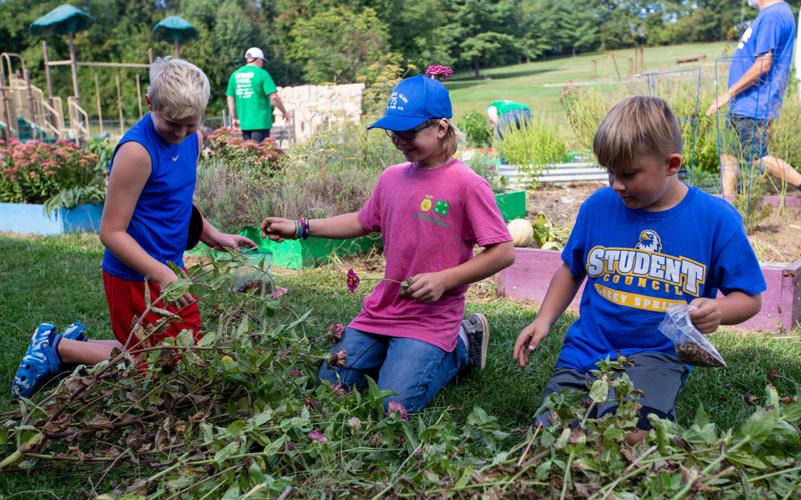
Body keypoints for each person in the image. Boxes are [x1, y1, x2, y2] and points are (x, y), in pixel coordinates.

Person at [514, 96, 765, 443]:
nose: (616, 184)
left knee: (629, 438)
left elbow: (750, 297)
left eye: (628, 174)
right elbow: (571, 269)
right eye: (610, 172)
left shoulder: (715, 220)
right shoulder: (598, 207)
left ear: (671, 164)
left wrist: (719, 310)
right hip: (587, 349)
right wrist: (544, 320)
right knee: (549, 435)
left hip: (657, 355)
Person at [261, 75, 515, 413]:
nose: (400, 141)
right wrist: (301, 227)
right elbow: (363, 221)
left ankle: (461, 344)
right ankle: (397, 355)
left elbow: (503, 252)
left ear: (440, 127)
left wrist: (444, 279)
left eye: (409, 133)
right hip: (381, 311)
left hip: (430, 318)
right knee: (328, 388)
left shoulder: (468, 184)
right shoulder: (391, 177)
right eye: (394, 133)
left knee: (391, 408)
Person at [12, 58, 256, 399]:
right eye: (173, 124)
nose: (181, 134)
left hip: (170, 269)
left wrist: (211, 234)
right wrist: (159, 273)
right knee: (152, 360)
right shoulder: (136, 152)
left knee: (181, 348)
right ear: (149, 103)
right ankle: (57, 348)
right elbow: (110, 233)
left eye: (191, 124)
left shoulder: (193, 138)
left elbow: (176, 199)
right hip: (134, 276)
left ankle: (70, 344)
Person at [706, 0, 801, 195]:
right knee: (728, 154)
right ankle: (729, 206)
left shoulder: (772, 16)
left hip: (753, 103)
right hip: (746, 102)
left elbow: (763, 64)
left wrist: (727, 94)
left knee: (757, 157)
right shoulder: (774, 13)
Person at [226, 47, 288, 143]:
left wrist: (234, 118)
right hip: (261, 122)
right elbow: (274, 97)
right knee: (259, 154)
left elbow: (230, 98)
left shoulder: (234, 75)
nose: (262, 64)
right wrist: (284, 112)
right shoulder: (262, 74)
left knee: (248, 154)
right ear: (258, 60)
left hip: (243, 123)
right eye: (262, 61)